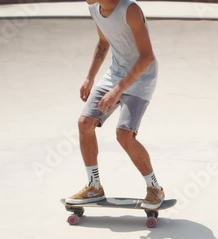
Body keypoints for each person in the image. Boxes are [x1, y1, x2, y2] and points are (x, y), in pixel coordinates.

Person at [65, 0, 164, 209]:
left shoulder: (130, 10)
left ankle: (155, 188)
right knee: (85, 124)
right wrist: (90, 78)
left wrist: (117, 91)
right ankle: (94, 186)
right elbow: (103, 42)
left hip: (142, 78)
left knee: (124, 135)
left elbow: (147, 57)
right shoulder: (95, 8)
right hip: (115, 75)